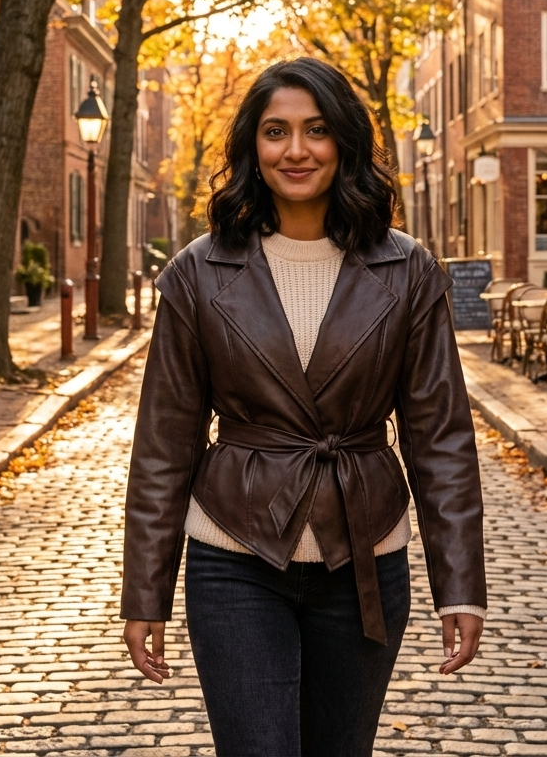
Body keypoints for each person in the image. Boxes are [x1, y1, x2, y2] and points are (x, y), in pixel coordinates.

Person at [121, 56, 486, 757]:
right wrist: (145, 592)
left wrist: (460, 586)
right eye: (275, 131)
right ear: (251, 149)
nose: (296, 150)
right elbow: (164, 445)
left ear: (344, 141)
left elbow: (440, 438)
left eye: (316, 130)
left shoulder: (408, 269)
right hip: (234, 557)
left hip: (365, 557)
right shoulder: (198, 272)